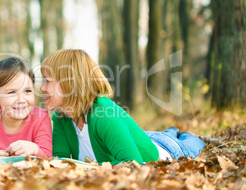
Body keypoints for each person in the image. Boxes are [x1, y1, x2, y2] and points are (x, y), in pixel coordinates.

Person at [40, 49, 204, 165]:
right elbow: (60, 161)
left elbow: (133, 163)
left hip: (168, 150)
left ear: (70, 85)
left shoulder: (104, 115)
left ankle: (182, 134)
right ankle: (171, 131)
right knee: (165, 134)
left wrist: (92, 170)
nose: (42, 88)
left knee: (195, 142)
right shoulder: (61, 117)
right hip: (145, 137)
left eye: (47, 81)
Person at [0, 57, 52, 164]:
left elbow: (48, 159)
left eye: (27, 91)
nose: (21, 100)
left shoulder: (41, 117)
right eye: (12, 92)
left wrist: (35, 149)